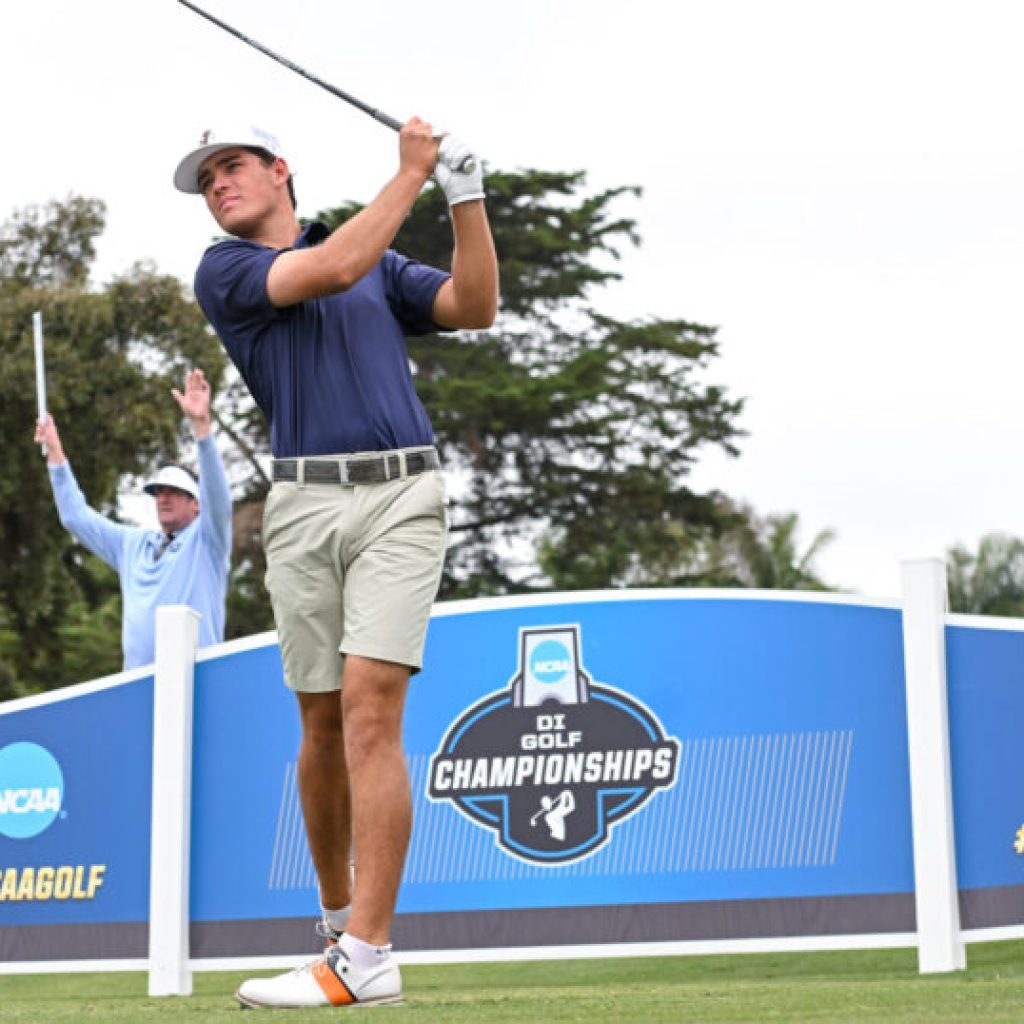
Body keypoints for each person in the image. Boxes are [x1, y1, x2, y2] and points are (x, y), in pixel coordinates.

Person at [173, 119, 497, 1009]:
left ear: (281, 171)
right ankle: (336, 923)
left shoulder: (377, 263)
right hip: (303, 503)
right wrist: (413, 175)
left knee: (367, 711)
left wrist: (463, 198)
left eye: (231, 166)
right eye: (206, 179)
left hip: (402, 495)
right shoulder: (226, 269)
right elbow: (332, 269)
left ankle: (369, 953)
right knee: (318, 724)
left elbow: (474, 307)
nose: (217, 185)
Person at [33, 369, 232, 669]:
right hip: (138, 686)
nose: (163, 498)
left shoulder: (208, 541)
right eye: (158, 492)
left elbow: (218, 496)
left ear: (196, 505)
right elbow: (76, 517)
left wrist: (201, 428)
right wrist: (56, 452)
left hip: (198, 681)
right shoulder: (133, 545)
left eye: (174, 493)